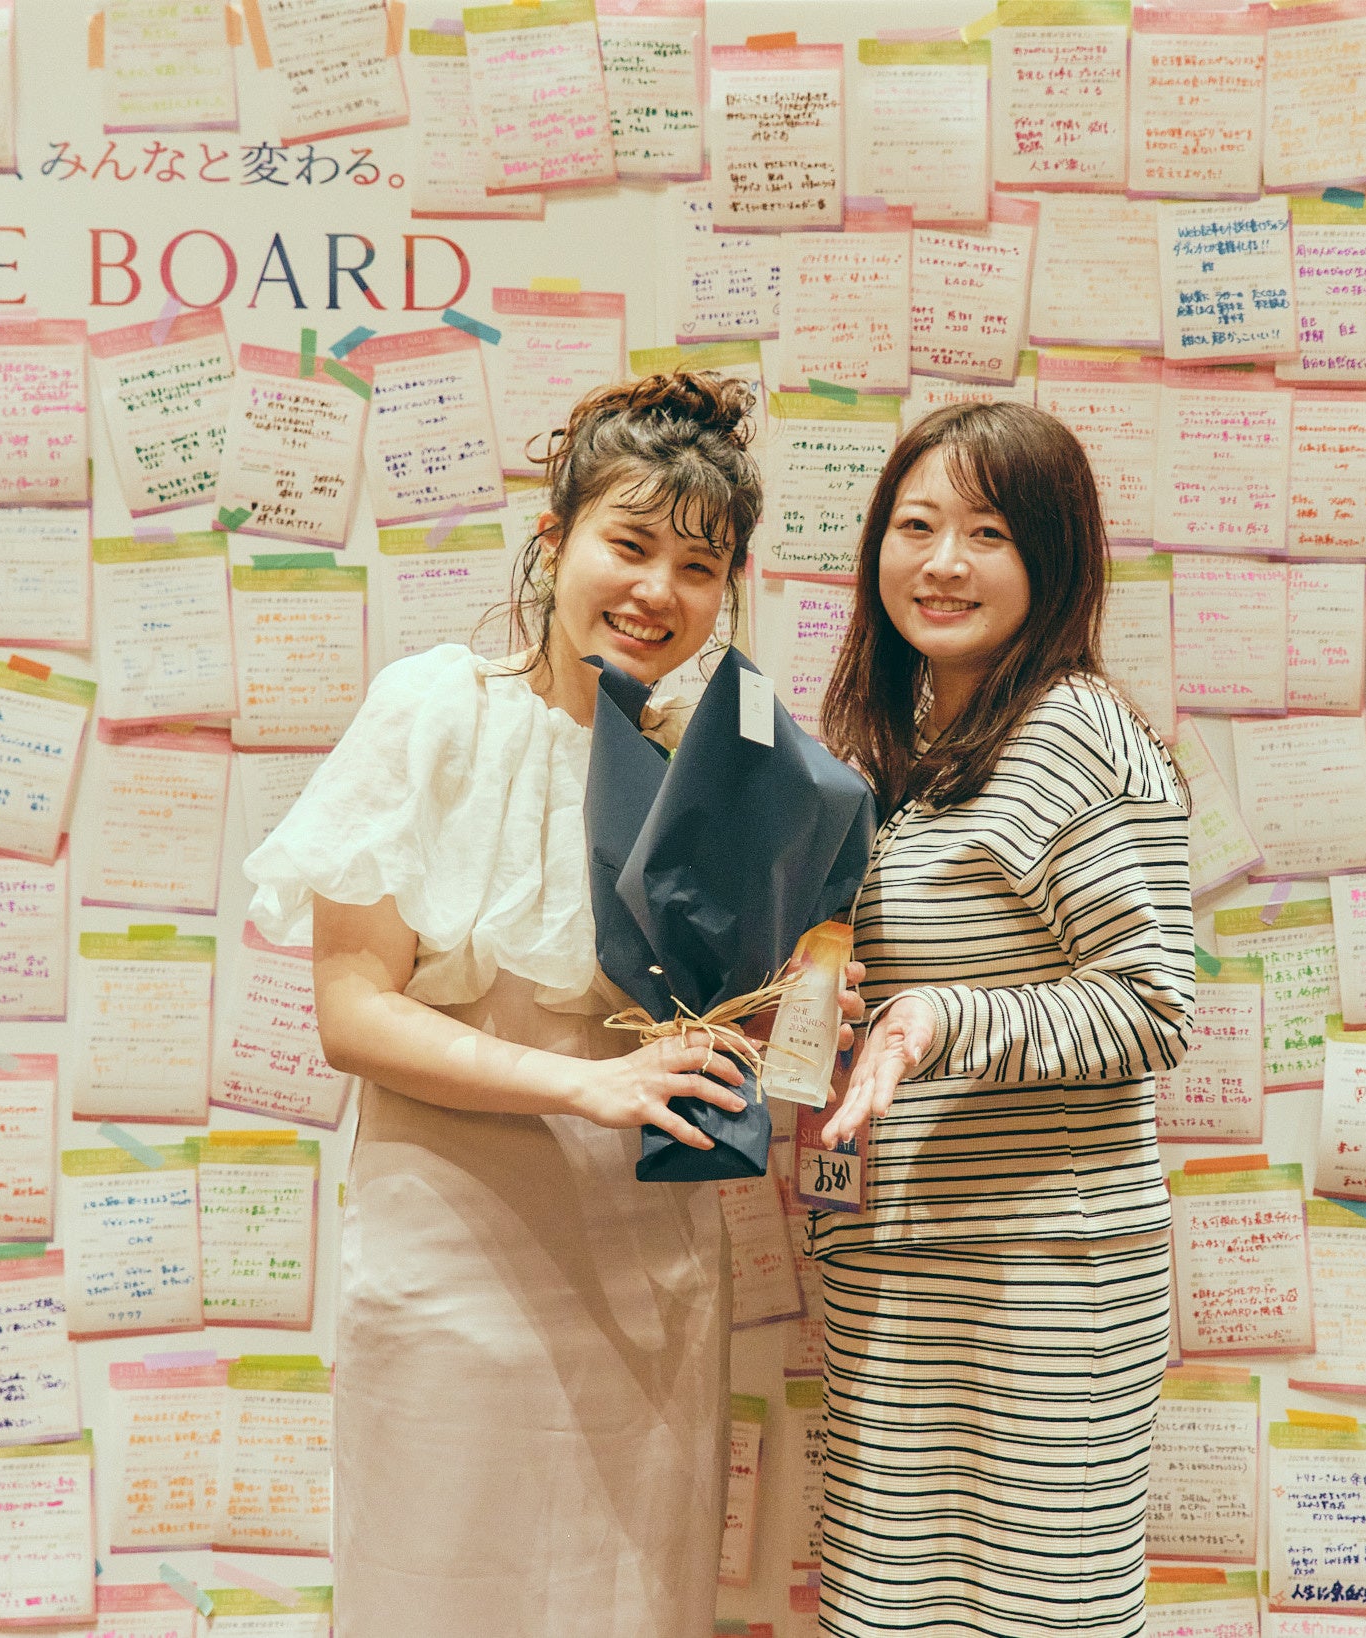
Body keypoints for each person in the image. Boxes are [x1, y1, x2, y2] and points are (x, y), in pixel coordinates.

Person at [243, 373, 858, 1638]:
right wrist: (585, 1084)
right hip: (448, 1263)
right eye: (627, 544)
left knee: (628, 1601)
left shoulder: (720, 766)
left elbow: (704, 1032)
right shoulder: (436, 712)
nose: (656, 591)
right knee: (434, 1589)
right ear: (554, 539)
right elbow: (353, 1014)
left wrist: (790, 1014)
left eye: (697, 567)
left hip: (648, 1276)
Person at [812, 400, 1197, 1636]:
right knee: (891, 1610)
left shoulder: (1071, 729)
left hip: (1041, 1279)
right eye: (914, 526)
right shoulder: (902, 741)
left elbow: (1151, 1003)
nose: (941, 563)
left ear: (1051, 557)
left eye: (986, 533)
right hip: (900, 1261)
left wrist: (936, 1018)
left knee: (1034, 1615)